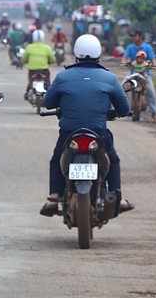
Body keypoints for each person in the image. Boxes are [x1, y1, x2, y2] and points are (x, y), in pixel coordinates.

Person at [40, 34, 135, 216]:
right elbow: (124, 108)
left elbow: (49, 103)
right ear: (98, 53)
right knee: (113, 159)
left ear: (76, 53)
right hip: (98, 131)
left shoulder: (63, 76)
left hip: (69, 132)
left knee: (56, 159)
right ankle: (119, 198)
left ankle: (53, 198)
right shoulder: (110, 78)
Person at [122, 30, 156, 123]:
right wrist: (124, 62)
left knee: (151, 93)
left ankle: (154, 115)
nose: (133, 38)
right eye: (133, 36)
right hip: (132, 73)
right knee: (121, 87)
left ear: (140, 36)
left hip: (145, 74)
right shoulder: (130, 47)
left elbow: (153, 60)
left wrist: (154, 64)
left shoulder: (147, 47)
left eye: (135, 36)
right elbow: (124, 58)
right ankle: (121, 109)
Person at [22, 29, 55, 99]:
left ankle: (27, 93)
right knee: (48, 81)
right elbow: (53, 60)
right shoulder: (47, 48)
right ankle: (50, 92)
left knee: (30, 80)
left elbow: (23, 59)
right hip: (44, 70)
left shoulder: (29, 47)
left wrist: (25, 61)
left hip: (32, 70)